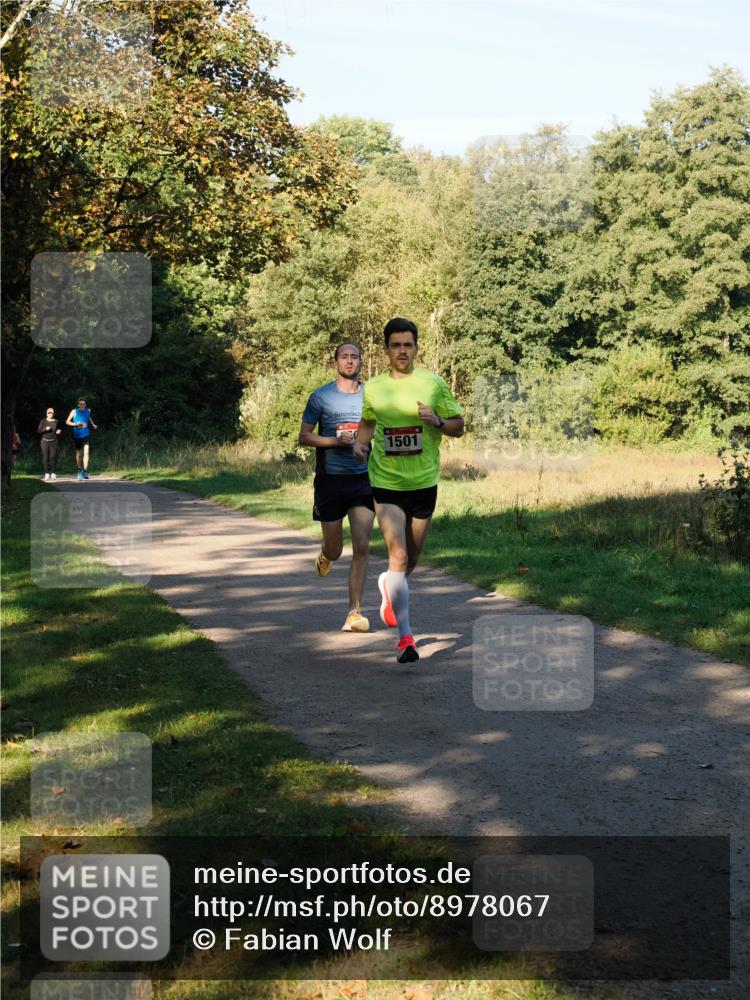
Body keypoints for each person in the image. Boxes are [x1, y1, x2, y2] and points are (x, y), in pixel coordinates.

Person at [353, 317, 464, 663]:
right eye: (396, 345)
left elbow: (459, 427)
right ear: (386, 349)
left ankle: (390, 585)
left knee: (410, 559)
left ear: (416, 348)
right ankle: (406, 639)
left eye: (408, 345)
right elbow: (368, 425)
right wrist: (359, 445)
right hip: (386, 483)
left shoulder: (433, 383)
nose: (402, 350)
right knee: (398, 555)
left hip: (424, 483)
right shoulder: (373, 388)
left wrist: (438, 422)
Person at [299, 341, 375, 633]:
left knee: (362, 545)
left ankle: (354, 612)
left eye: (354, 356)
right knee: (336, 549)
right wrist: (335, 441)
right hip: (330, 480)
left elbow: (379, 430)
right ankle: (325, 555)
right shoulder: (320, 397)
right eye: (344, 356)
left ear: (360, 362)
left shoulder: (370, 395)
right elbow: (304, 437)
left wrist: (366, 445)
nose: (349, 361)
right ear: (336, 363)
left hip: (362, 480)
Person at [65, 396, 98, 480]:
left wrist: (93, 424)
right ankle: (79, 470)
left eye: (83, 404)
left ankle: (85, 471)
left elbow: (89, 418)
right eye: (81, 404)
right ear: (78, 405)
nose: (82, 405)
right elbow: (67, 422)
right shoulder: (74, 411)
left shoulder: (88, 410)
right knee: (79, 453)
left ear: (85, 404)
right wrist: (76, 424)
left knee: (86, 453)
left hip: (86, 433)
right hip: (77, 434)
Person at [38, 407, 62, 480]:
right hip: (44, 441)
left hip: (54, 441)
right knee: (45, 458)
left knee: (53, 457)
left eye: (51, 413)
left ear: (53, 413)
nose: (50, 414)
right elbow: (39, 430)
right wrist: (45, 429)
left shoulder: (56, 421)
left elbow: (59, 428)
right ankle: (47, 473)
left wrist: (59, 431)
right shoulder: (43, 421)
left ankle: (53, 473)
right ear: (46, 413)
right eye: (49, 413)